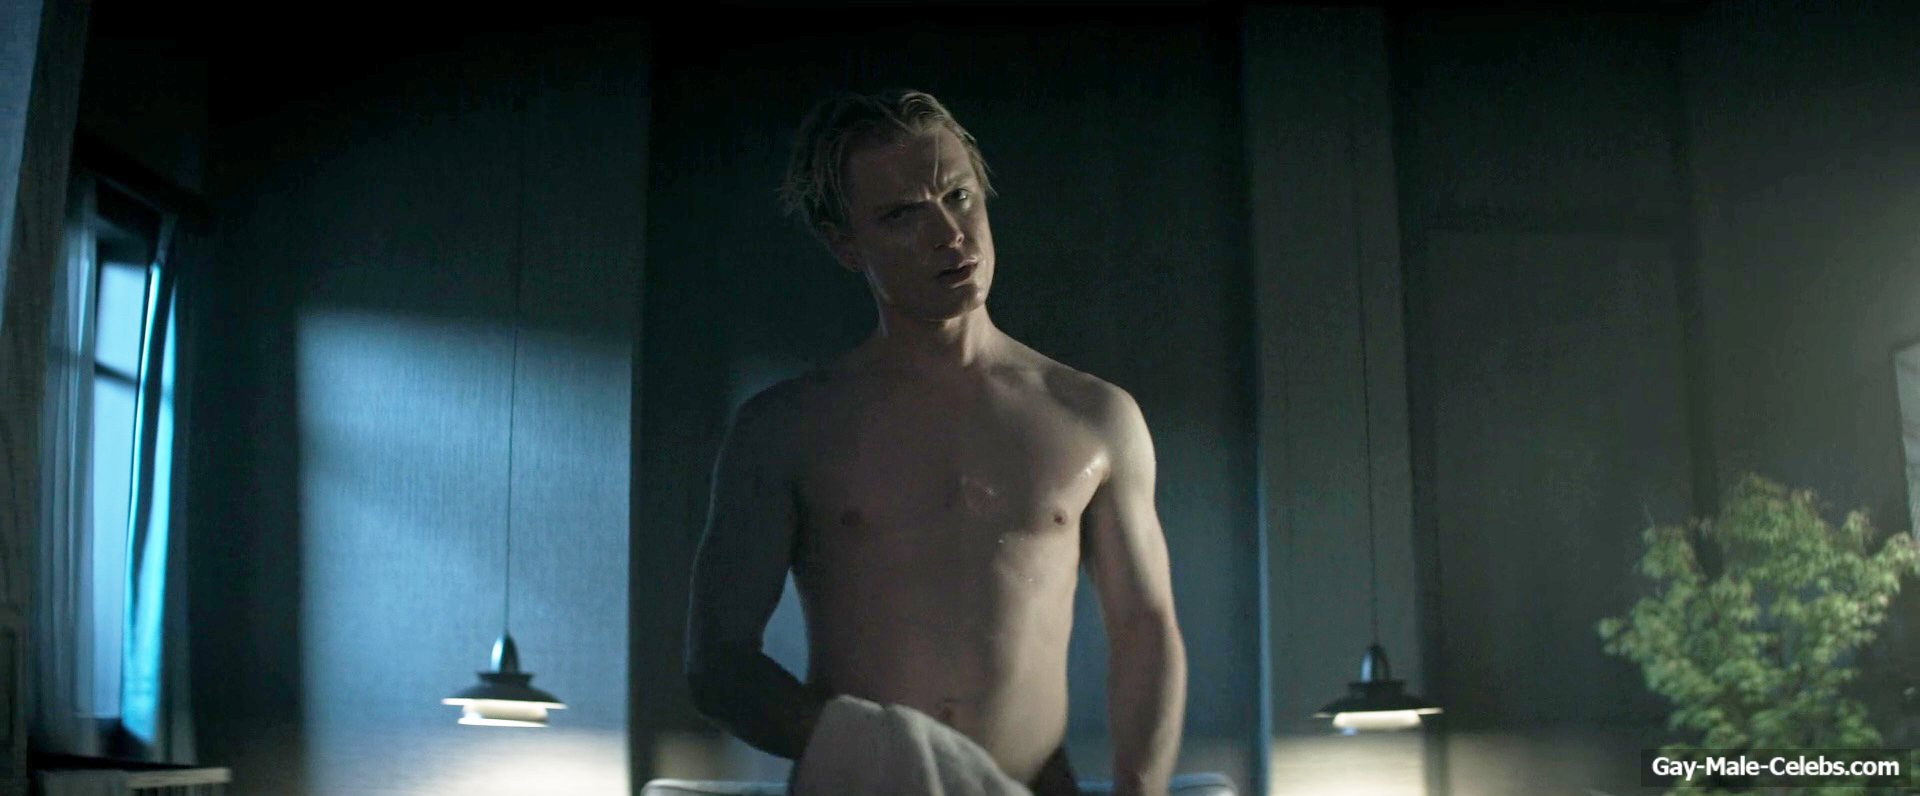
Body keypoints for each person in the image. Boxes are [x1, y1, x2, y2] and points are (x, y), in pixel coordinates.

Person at [684, 89, 1187, 796]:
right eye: (902, 215)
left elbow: (1144, 626)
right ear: (845, 243)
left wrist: (1140, 790)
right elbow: (718, 663)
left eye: (959, 196)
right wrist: (878, 749)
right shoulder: (786, 427)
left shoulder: (1093, 417)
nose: (949, 234)